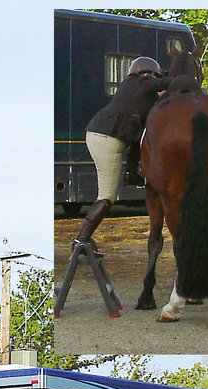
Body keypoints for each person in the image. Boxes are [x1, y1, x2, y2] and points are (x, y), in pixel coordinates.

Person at [74, 57, 172, 250]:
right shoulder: (140, 82)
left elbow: (138, 141)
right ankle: (81, 239)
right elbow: (162, 83)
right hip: (106, 138)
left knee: (137, 137)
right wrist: (185, 79)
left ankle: (132, 174)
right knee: (107, 197)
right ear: (149, 74)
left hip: (102, 135)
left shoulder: (139, 94)